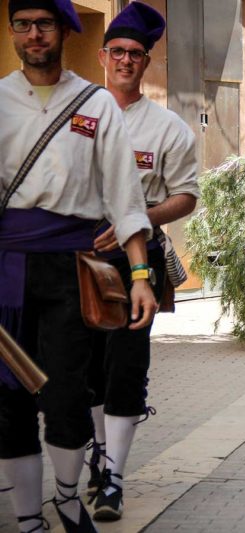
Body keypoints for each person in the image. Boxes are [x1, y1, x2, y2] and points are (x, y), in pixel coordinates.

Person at [0, 1, 157, 532]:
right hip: (7, 269)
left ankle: (67, 500)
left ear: (65, 30)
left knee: (67, 395)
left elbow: (124, 195)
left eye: (44, 23)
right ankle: (28, 522)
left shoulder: (95, 102)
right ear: (13, 32)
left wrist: (140, 277)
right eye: (22, 24)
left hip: (72, 269)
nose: (34, 34)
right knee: (7, 400)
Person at [84, 2, 199, 522]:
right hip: (74, 255)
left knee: (126, 368)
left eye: (136, 53)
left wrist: (139, 218)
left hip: (137, 263)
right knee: (82, 368)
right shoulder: (75, 113)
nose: (126, 60)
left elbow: (186, 197)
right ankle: (95, 456)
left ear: (146, 63)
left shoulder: (168, 127)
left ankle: (113, 479)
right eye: (118, 52)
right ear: (103, 56)